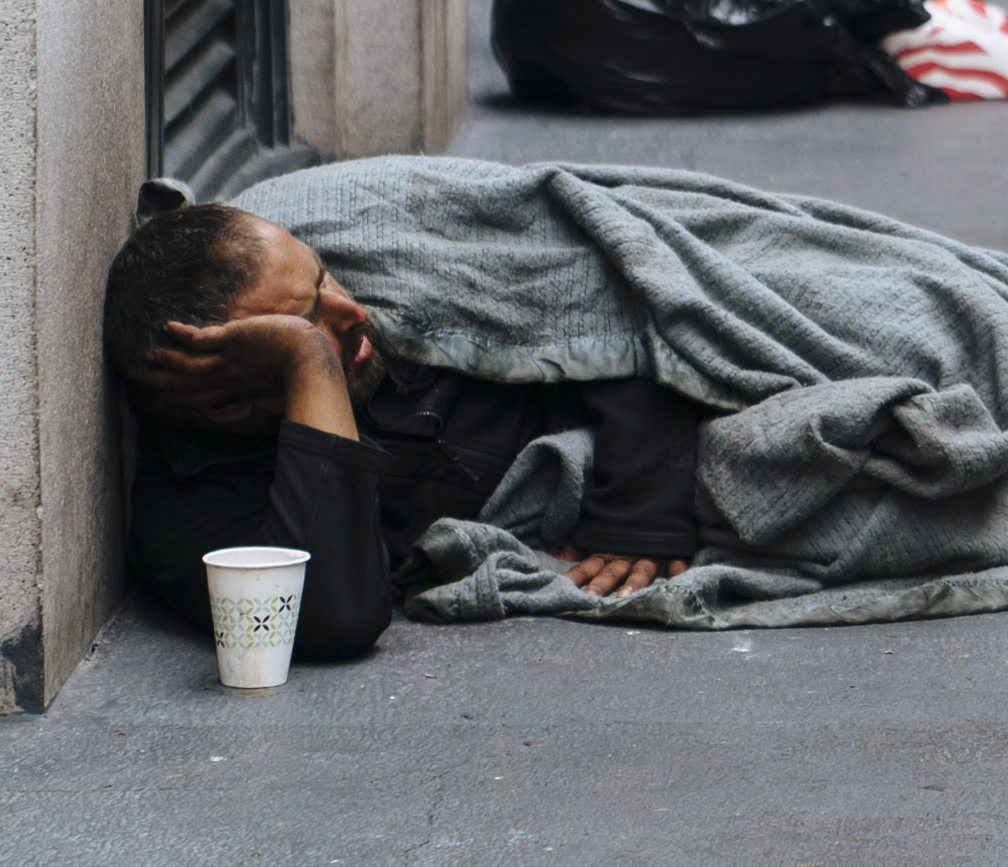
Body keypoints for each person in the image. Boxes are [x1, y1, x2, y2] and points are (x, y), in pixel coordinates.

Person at [107, 203, 708, 660]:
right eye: (308, 322)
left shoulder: (374, 265)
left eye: (323, 279)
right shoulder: (187, 522)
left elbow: (595, 295)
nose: (353, 312)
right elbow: (336, 617)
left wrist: (640, 508)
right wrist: (310, 361)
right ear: (224, 401)